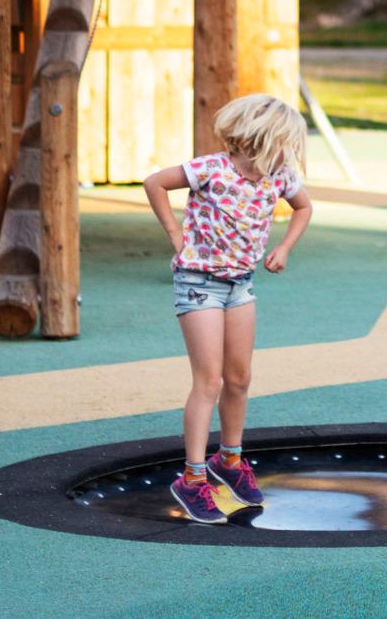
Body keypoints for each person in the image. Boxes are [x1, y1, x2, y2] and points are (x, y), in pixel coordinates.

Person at [142, 93, 315, 525]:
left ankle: (230, 462)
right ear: (259, 138)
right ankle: (193, 477)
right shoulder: (211, 169)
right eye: (282, 143)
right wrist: (175, 234)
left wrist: (285, 247)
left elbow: (304, 207)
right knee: (209, 380)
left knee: (239, 378)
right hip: (199, 284)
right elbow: (154, 183)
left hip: (240, 285)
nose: (286, 153)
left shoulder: (280, 177)